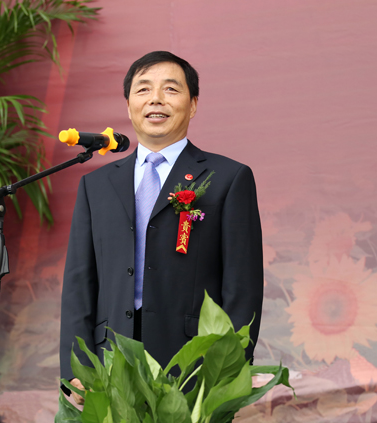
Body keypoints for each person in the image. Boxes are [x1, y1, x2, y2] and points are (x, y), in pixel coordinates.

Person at [59, 51, 263, 403]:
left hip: (193, 363)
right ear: (128, 106)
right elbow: (79, 283)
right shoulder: (97, 184)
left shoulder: (227, 178)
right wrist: (77, 368)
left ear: (193, 104)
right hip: (110, 363)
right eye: (143, 90)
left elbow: (242, 286)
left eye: (170, 89)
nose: (155, 99)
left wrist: (228, 370)